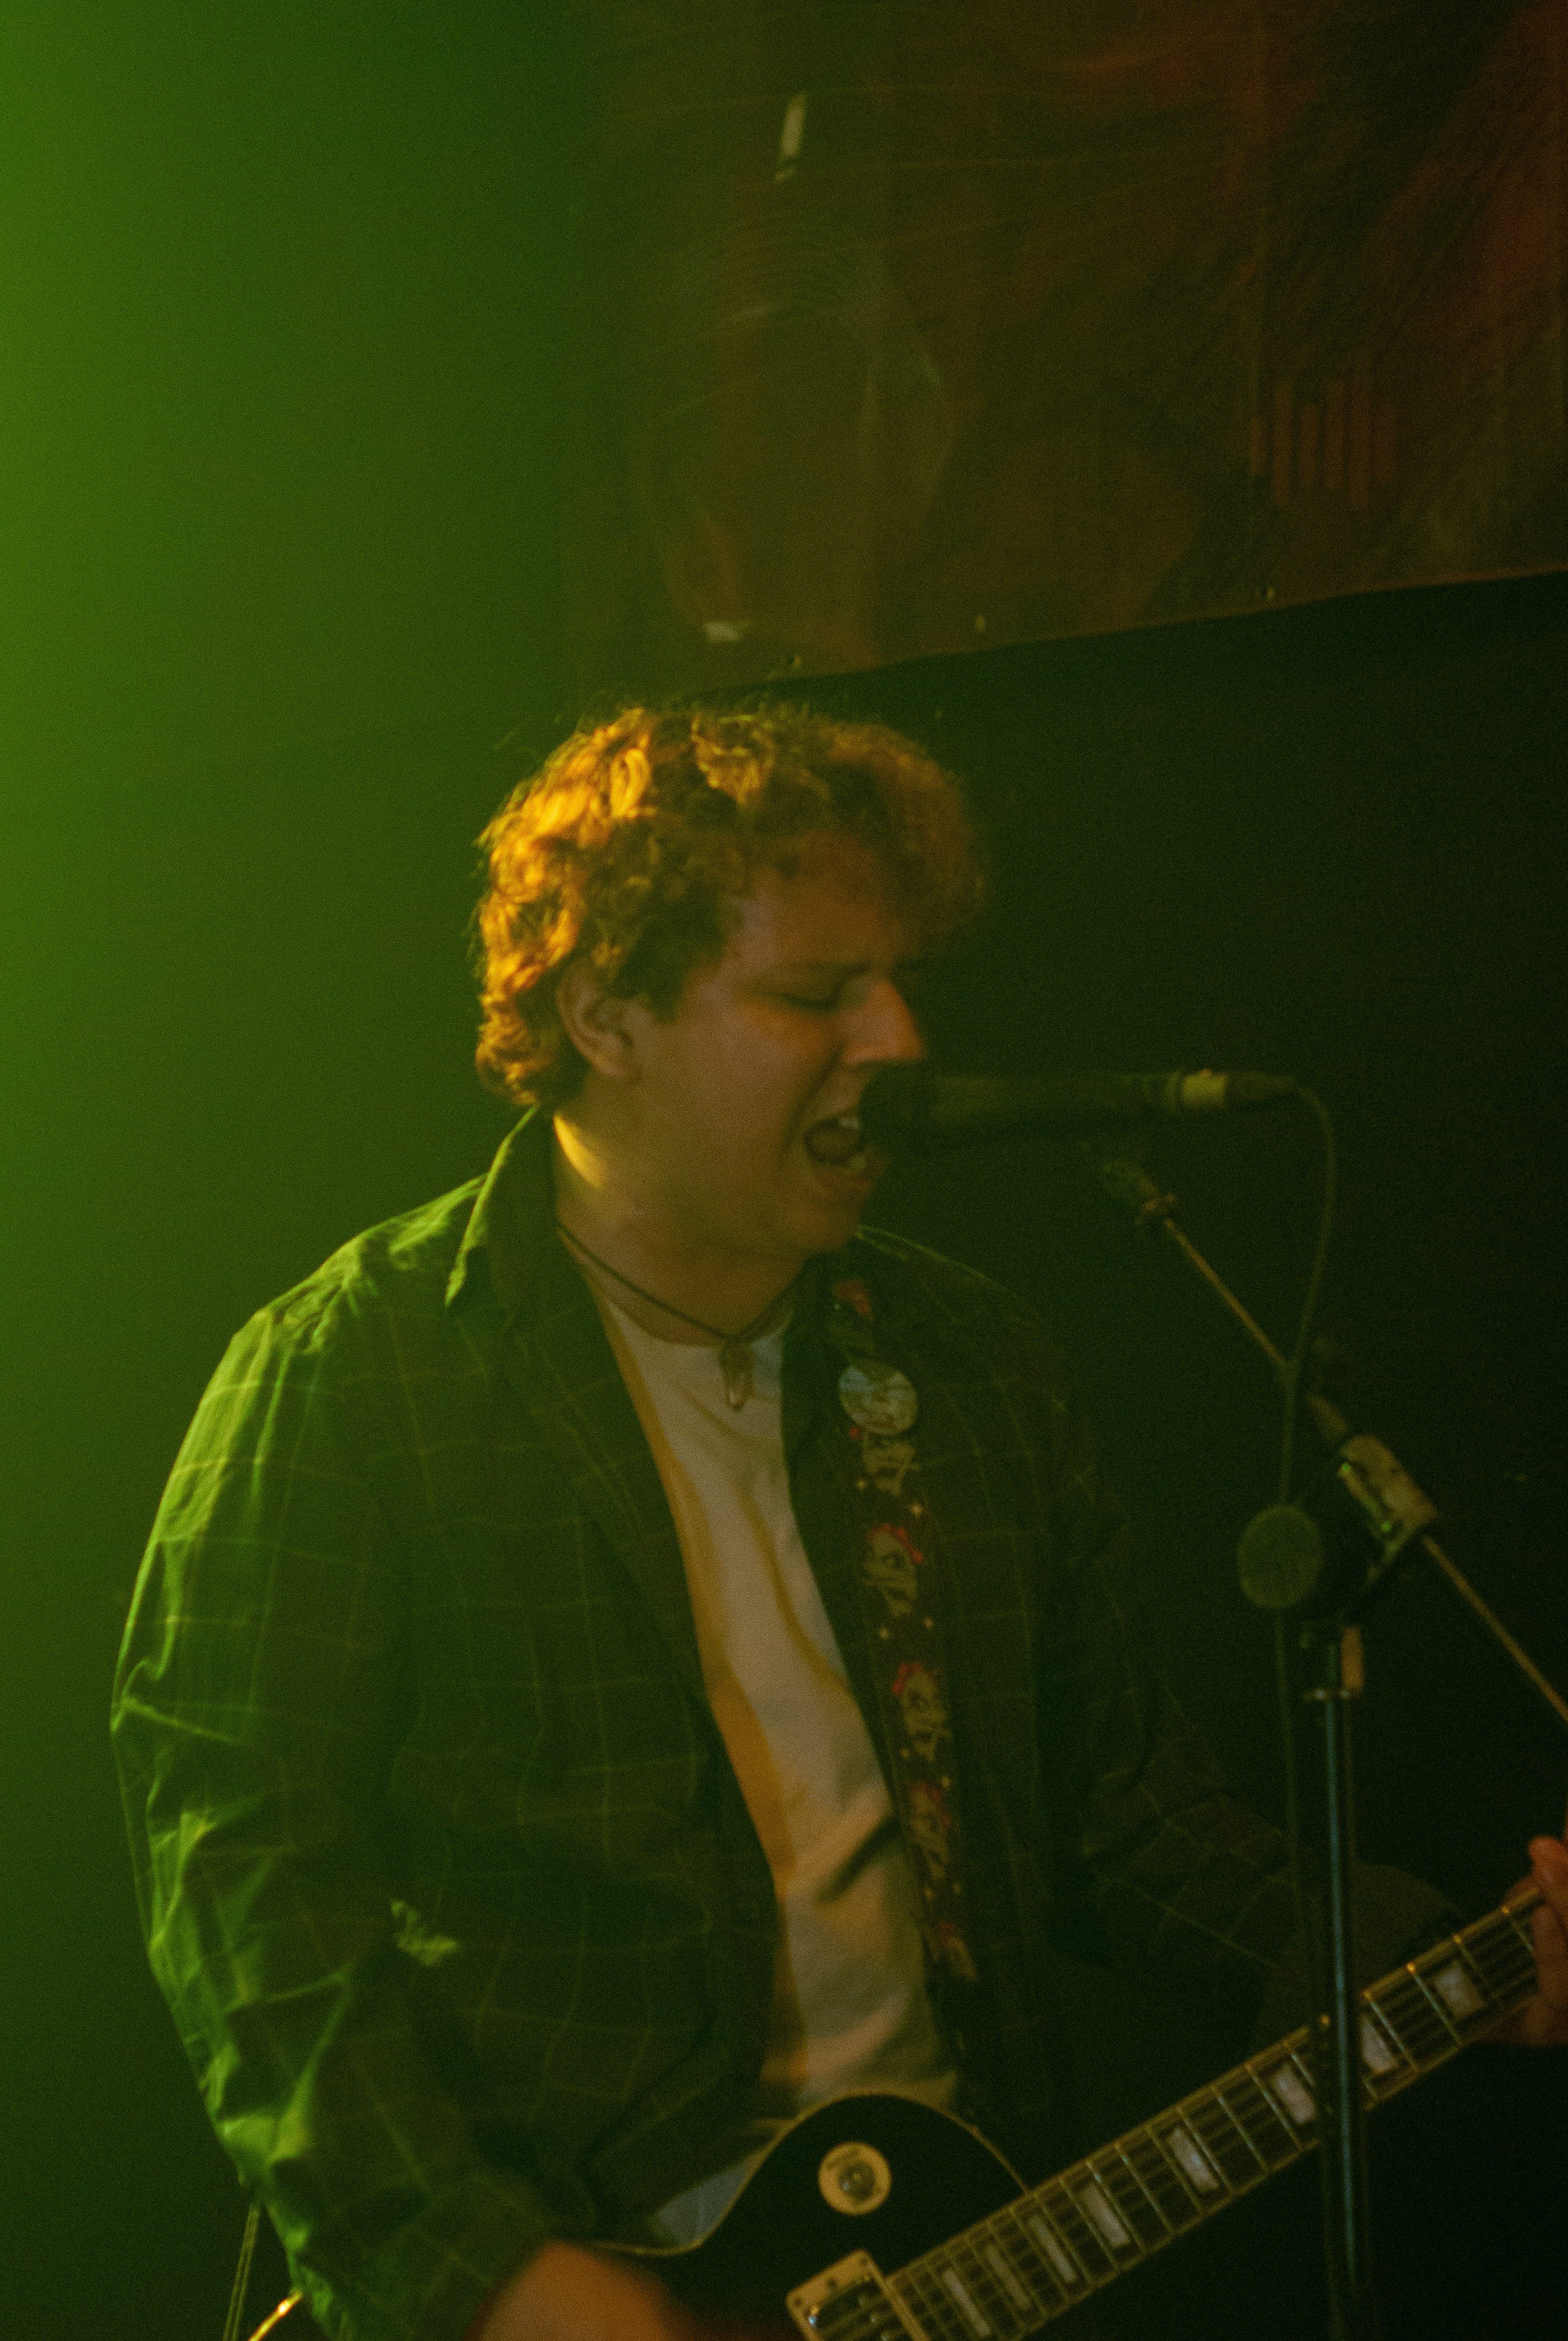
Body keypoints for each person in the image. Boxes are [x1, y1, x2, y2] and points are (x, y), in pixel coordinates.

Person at [111, 704, 1568, 2341]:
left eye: (897, 983)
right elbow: (242, 1886)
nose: (894, 1040)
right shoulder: (356, 1374)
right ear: (605, 1012)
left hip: (942, 2255)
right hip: (569, 2268)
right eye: (814, 994)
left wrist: (1455, 1956)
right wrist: (479, 2274)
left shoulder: (967, 1363)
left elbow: (1125, 1822)